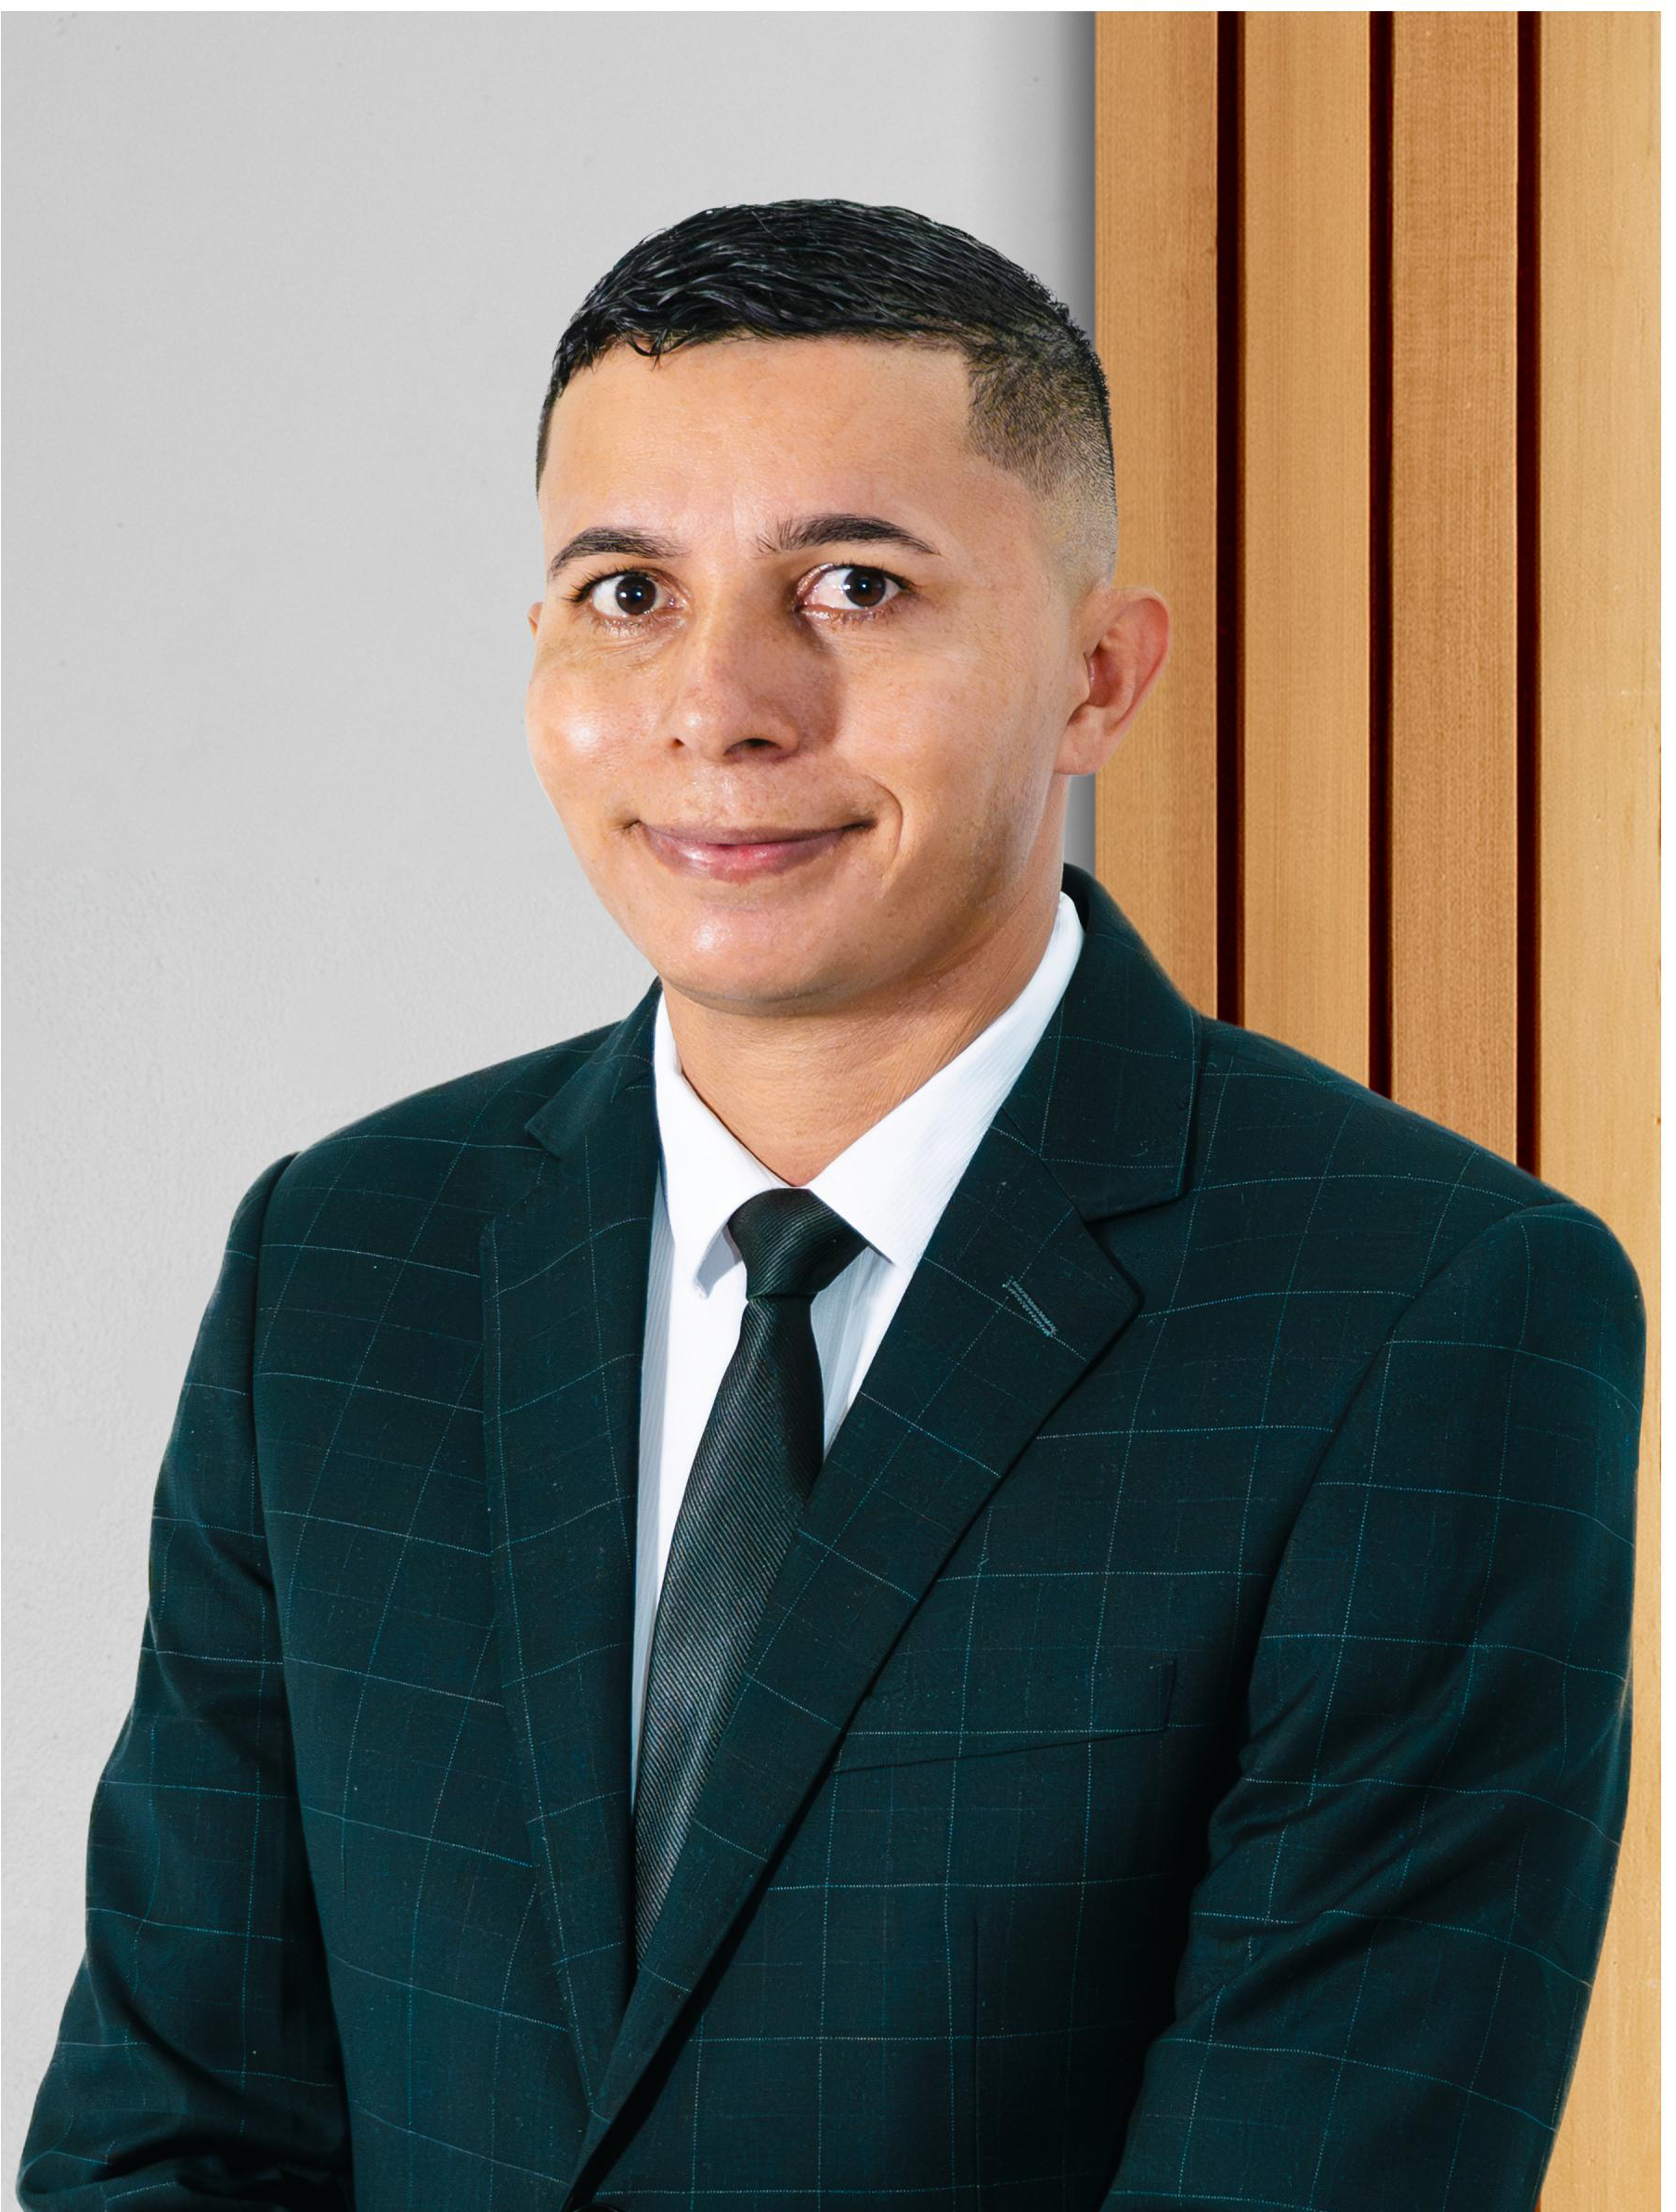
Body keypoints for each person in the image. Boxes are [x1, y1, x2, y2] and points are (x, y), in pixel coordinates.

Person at [19, 198, 1644, 2212]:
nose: (721, 704)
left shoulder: (1427, 1314)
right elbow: (168, 2134)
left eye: (855, 586)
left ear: (1097, 677)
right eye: (627, 592)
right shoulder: (345, 1263)